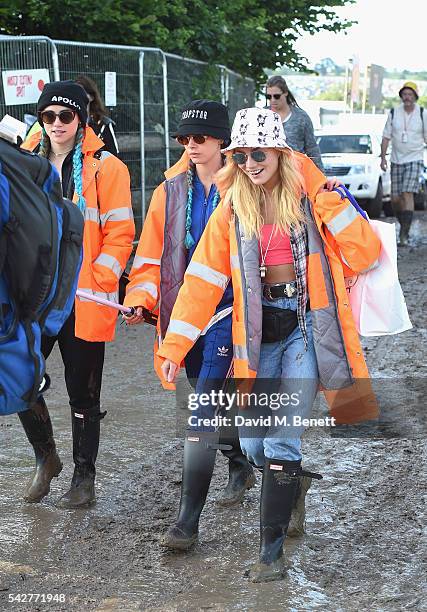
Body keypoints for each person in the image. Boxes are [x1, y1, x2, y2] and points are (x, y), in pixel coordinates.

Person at [156, 107, 381, 582]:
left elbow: (365, 252)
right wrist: (174, 346)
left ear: (280, 153)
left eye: (259, 154)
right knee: (257, 446)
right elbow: (201, 282)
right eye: (240, 156)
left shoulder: (309, 198)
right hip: (258, 339)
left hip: (303, 328)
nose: (250, 164)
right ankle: (292, 485)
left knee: (279, 440)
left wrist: (330, 200)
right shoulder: (231, 208)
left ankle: (270, 557)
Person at [124, 100, 256, 550]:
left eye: (199, 138)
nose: (190, 146)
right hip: (183, 318)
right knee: (210, 401)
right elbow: (148, 257)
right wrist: (140, 300)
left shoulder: (244, 187)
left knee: (201, 410)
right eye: (184, 139)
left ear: (222, 141)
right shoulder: (169, 191)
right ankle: (238, 459)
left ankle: (186, 523)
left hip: (226, 314)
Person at [21, 80, 135, 508]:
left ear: (81, 120)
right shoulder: (24, 162)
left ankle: (84, 478)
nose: (56, 124)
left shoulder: (108, 168)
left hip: (83, 297)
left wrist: (100, 280)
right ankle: (45, 458)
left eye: (65, 116)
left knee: (83, 392)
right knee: (19, 378)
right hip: (34, 296)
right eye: (47, 116)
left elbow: (121, 233)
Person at [381, 81, 427, 245]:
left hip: (414, 158)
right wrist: (383, 157)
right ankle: (403, 224)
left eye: (410, 94)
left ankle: (404, 235)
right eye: (405, 94)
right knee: (395, 198)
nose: (407, 97)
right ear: (401, 96)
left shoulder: (423, 113)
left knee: (407, 193)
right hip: (396, 159)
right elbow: (386, 136)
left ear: (415, 96)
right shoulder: (394, 113)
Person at [266, 75, 324, 171]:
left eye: (276, 96)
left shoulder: (301, 117)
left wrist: (321, 176)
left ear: (285, 93)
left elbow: (312, 149)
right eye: (268, 96)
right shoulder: (262, 116)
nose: (272, 100)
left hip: (295, 173)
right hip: (269, 174)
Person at [75, 75, 119, 156]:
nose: (79, 96)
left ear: (91, 97)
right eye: (75, 93)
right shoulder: (68, 122)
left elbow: (114, 156)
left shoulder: (104, 124)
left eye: (82, 93)